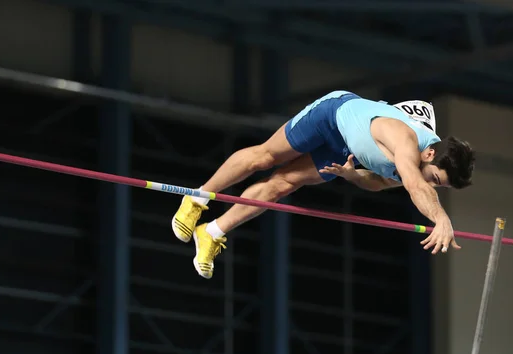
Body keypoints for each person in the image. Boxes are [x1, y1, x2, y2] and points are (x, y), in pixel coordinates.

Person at [171, 90, 475, 279]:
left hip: (344, 151)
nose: (430, 184)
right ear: (430, 153)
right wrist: (440, 218)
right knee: (264, 158)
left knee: (282, 185)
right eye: (434, 178)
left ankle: (211, 232)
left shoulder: (418, 168)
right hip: (332, 114)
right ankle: (195, 200)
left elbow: (379, 183)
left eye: (438, 186)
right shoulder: (408, 145)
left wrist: (353, 177)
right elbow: (416, 186)